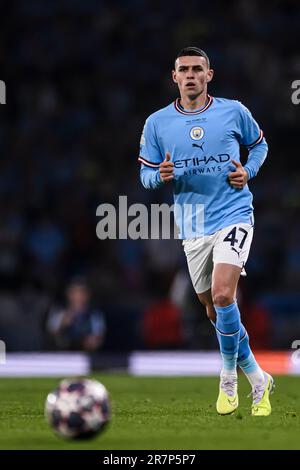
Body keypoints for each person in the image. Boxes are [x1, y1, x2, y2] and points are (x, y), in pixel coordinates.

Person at [138, 46, 274, 416]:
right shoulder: (157, 123)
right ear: (175, 77)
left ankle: (228, 378)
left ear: (209, 75)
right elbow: (146, 176)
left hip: (234, 213)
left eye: (198, 69)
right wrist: (158, 177)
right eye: (185, 70)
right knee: (214, 312)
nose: (192, 75)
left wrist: (249, 171)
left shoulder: (234, 111)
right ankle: (259, 377)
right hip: (194, 225)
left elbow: (259, 146)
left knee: (224, 294)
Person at [46, 278, 106, 352]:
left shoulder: (94, 313)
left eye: (82, 292)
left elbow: (98, 335)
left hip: (85, 355)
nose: (78, 297)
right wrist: (62, 325)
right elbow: (50, 334)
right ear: (68, 293)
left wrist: (91, 341)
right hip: (61, 354)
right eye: (74, 292)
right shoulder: (58, 311)